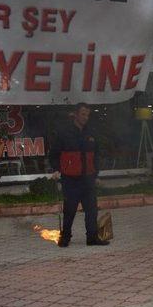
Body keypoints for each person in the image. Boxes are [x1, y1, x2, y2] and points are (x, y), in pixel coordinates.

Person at [50, 103, 109, 247]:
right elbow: (53, 154)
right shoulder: (64, 133)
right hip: (70, 179)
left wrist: (96, 174)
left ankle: (92, 238)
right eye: (83, 114)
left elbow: (96, 155)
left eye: (87, 115)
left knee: (91, 210)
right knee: (69, 210)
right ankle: (65, 238)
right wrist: (56, 169)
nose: (85, 117)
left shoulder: (91, 133)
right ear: (75, 114)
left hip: (88, 178)